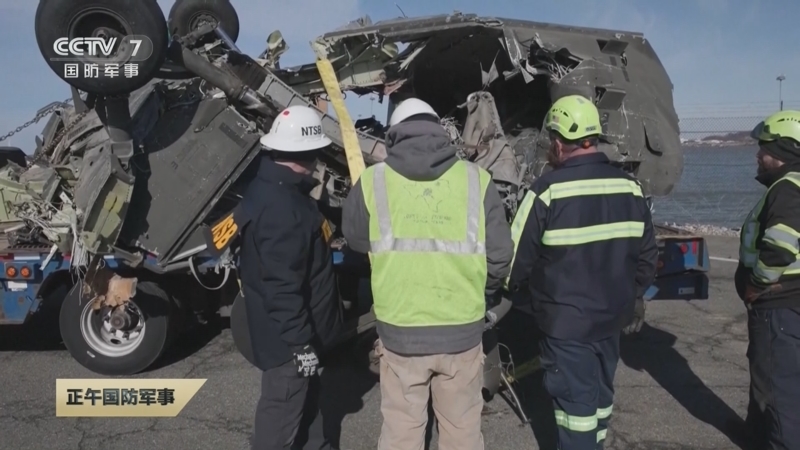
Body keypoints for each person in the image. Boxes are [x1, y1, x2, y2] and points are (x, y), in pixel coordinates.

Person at [341, 97, 514, 450]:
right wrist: (482, 296)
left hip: (400, 332)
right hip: (461, 332)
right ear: (442, 132)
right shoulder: (477, 181)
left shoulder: (373, 182)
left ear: (394, 135)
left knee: (402, 432)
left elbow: (357, 240)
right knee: (462, 432)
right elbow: (500, 257)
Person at [506, 94, 658, 450]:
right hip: (611, 323)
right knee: (600, 404)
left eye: (549, 143)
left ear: (559, 143)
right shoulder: (630, 188)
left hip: (566, 326)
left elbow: (513, 262)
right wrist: (628, 298)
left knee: (576, 413)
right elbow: (647, 259)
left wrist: (512, 294)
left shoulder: (547, 192)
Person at [236, 105, 343, 450]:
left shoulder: (270, 190)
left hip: (295, 335)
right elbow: (282, 286)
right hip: (288, 345)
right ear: (307, 153)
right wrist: (299, 345)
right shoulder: (284, 208)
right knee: (280, 417)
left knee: (306, 414)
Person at [737, 110, 800, 450]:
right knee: (772, 382)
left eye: (764, 148)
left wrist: (756, 285)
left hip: (778, 306)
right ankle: (758, 435)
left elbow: (779, 248)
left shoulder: (788, 190)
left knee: (780, 390)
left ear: (785, 152)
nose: (758, 155)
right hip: (785, 305)